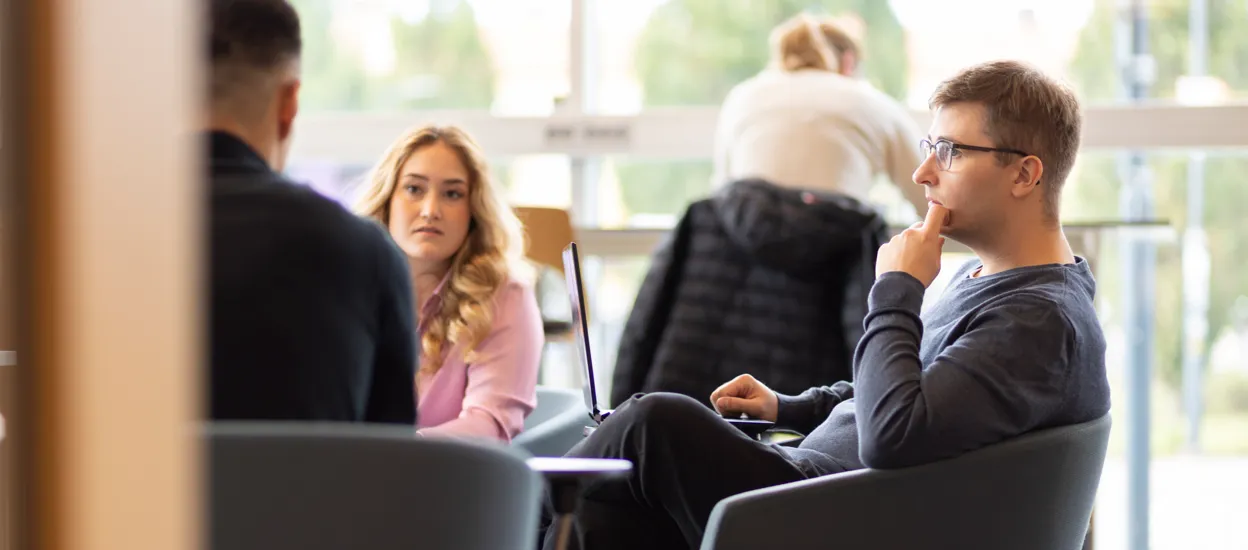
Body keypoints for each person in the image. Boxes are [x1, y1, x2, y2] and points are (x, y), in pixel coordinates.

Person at [540, 60, 1112, 550]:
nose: (923, 173)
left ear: (1025, 174)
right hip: (820, 489)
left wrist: (895, 291)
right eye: (928, 147)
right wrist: (789, 408)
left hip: (834, 512)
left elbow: (894, 433)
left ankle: (504, 511)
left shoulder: (1038, 319)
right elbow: (910, 394)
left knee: (648, 423)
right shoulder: (994, 282)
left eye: (951, 151)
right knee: (613, 499)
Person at [207, 0, 417, 424]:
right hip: (315, 494)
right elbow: (392, 468)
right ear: (289, 105)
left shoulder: (86, 242)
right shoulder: (366, 255)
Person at [354, 125, 543, 442]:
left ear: (473, 210)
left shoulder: (506, 295)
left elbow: (489, 425)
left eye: (452, 194)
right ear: (387, 199)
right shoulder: (348, 288)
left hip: (453, 482)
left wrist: (388, 453)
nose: (430, 211)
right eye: (414, 189)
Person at [711, 13, 928, 219]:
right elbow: (927, 195)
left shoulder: (742, 97)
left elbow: (722, 192)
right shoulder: (872, 101)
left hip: (744, 247)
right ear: (849, 62)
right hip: (839, 247)